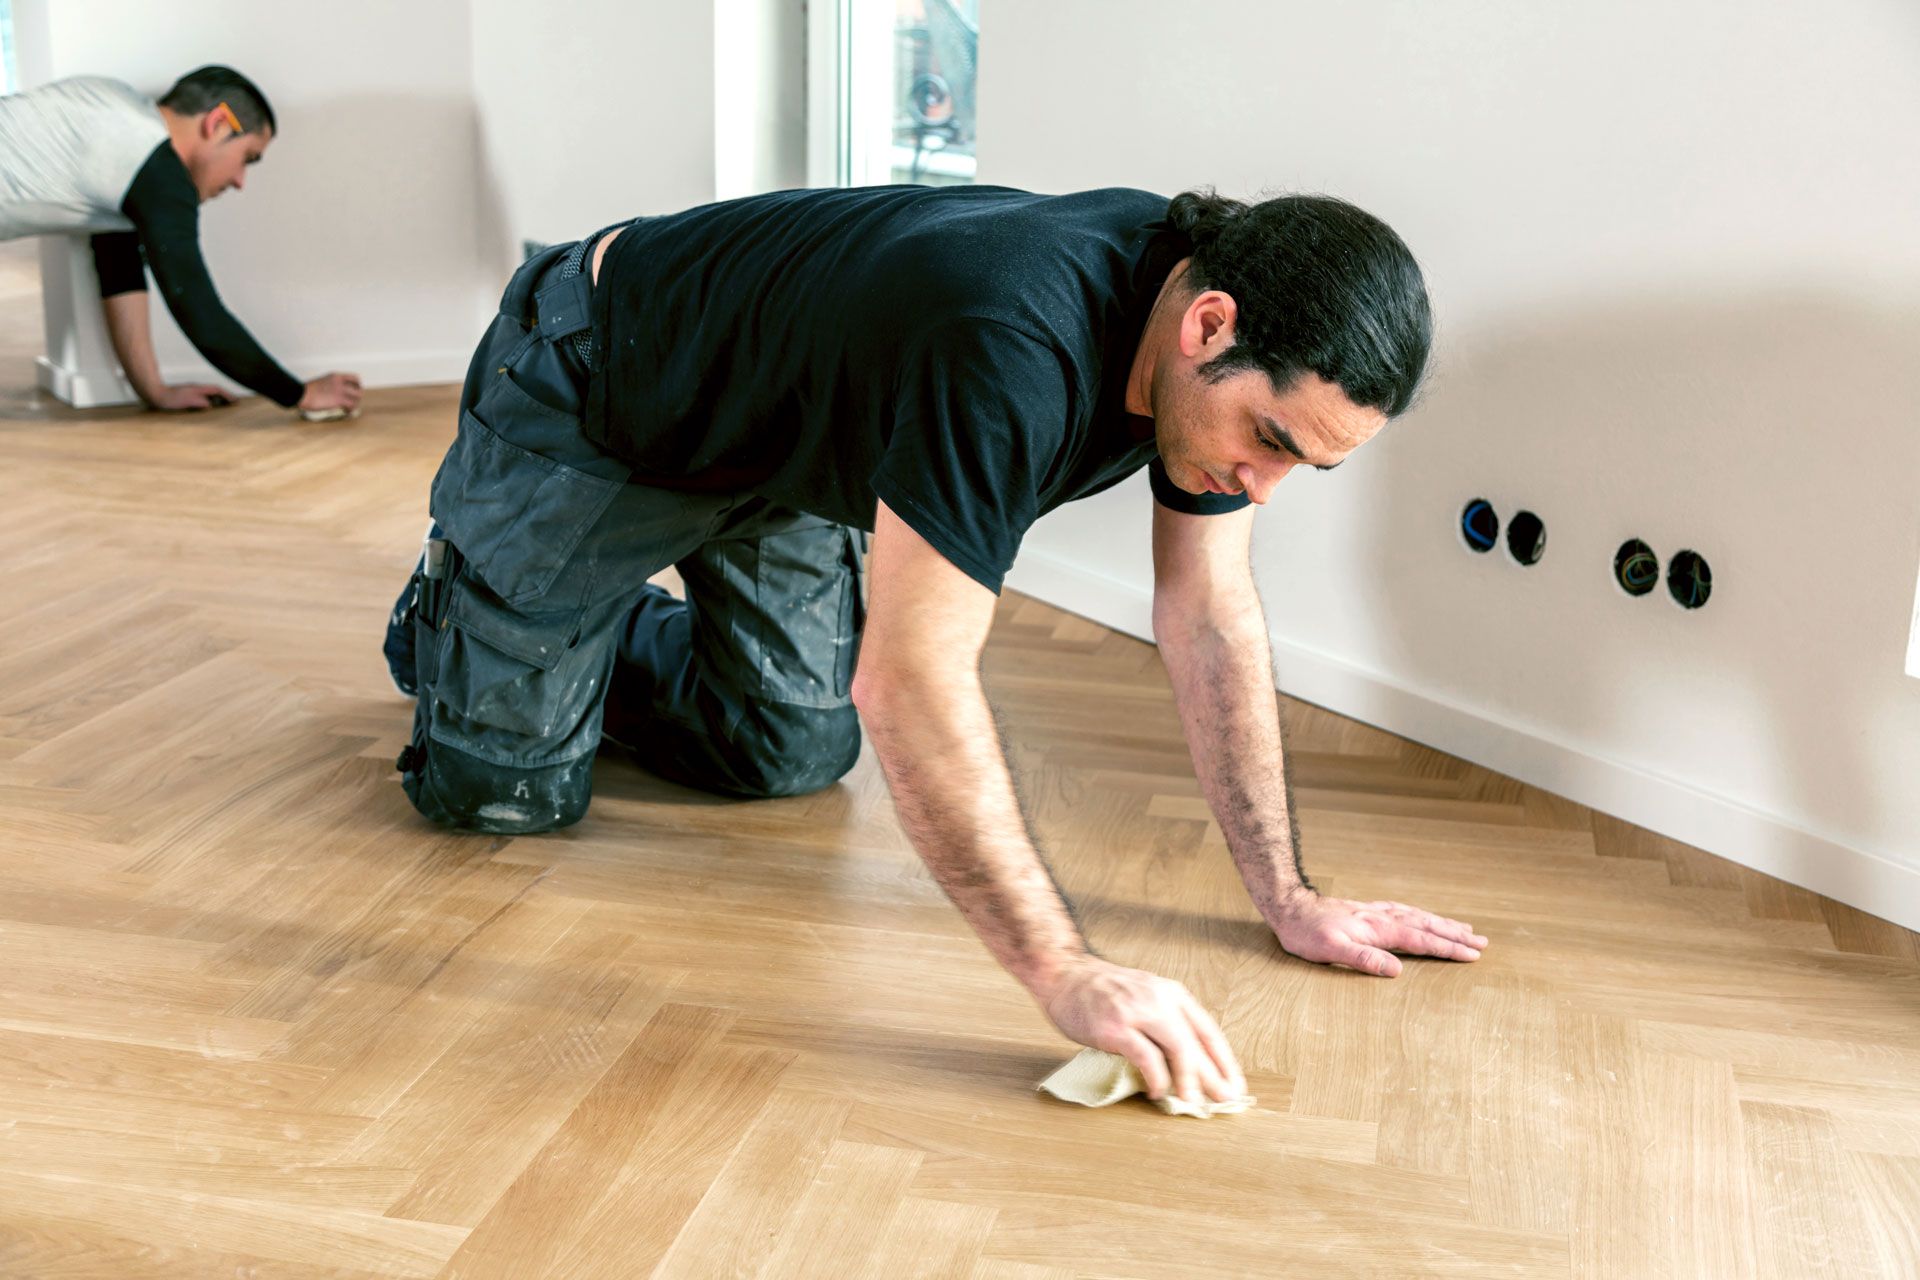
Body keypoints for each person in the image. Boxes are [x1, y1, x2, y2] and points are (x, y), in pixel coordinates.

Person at [385, 184, 1488, 1109]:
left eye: (1305, 465)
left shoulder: (1207, 361)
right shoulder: (1013, 345)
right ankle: (457, 618)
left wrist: (1289, 895)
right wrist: (1064, 971)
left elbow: (1207, 611)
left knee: (786, 750)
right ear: (1209, 324)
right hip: (607, 376)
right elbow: (911, 680)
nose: (1264, 484)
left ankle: (559, 628)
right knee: (496, 795)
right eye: (1270, 440)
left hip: (785, 448)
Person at [0, 66, 361, 415]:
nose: (240, 181)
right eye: (247, 158)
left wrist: (154, 392)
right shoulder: (156, 168)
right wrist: (299, 394)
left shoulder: (121, 122)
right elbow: (199, 311)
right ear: (218, 124)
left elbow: (119, 271)